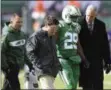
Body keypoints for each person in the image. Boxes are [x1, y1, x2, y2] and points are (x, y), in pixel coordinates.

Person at [56, 5, 89, 89]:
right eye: (73, 16)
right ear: (66, 15)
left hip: (75, 59)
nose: (75, 19)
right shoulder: (60, 25)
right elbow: (53, 42)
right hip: (63, 59)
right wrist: (55, 59)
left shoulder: (76, 27)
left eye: (76, 17)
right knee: (70, 85)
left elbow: (78, 44)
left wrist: (84, 59)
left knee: (74, 86)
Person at [79, 5, 111, 90]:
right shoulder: (79, 23)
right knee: (86, 86)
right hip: (84, 61)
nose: (89, 18)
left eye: (92, 16)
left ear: (95, 15)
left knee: (98, 85)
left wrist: (108, 61)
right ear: (85, 14)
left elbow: (105, 45)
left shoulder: (101, 25)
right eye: (88, 16)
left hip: (97, 61)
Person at [25, 15, 62, 89]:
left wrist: (57, 65)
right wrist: (40, 65)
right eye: (53, 28)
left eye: (56, 28)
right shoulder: (36, 36)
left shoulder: (51, 36)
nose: (55, 30)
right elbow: (29, 52)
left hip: (52, 70)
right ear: (47, 25)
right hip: (43, 71)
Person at [1, 13, 33, 90]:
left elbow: (24, 51)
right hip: (9, 66)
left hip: (17, 65)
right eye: (17, 22)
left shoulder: (22, 35)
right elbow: (1, 52)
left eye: (21, 22)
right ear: (11, 22)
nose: (20, 24)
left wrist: (30, 64)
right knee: (16, 86)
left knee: (7, 87)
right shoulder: (7, 35)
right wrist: (5, 67)